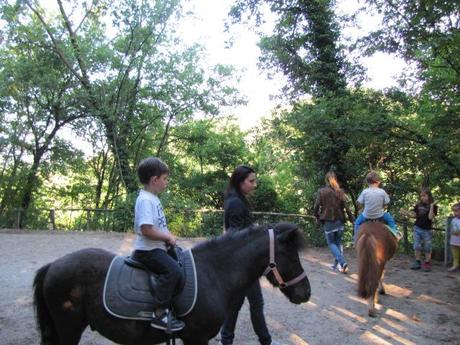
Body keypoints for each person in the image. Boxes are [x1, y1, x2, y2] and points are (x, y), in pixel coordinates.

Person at [220, 165, 281, 345]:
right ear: (240, 182)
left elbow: (237, 230)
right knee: (255, 304)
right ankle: (265, 341)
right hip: (243, 266)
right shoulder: (236, 203)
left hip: (240, 264)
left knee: (236, 304)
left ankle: (227, 340)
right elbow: (235, 236)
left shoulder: (236, 199)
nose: (255, 184)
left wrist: (256, 230)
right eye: (251, 181)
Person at [131, 157, 185, 331]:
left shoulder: (152, 198)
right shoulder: (146, 200)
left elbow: (157, 225)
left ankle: (173, 307)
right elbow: (146, 229)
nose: (166, 182)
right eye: (165, 178)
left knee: (182, 262)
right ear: (155, 179)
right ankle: (159, 314)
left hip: (157, 247)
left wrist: (167, 237)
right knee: (173, 270)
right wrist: (166, 237)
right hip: (147, 250)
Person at [314, 171, 354, 273]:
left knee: (331, 243)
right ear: (335, 179)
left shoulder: (322, 191)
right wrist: (352, 219)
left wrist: (317, 216)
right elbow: (347, 208)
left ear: (326, 180)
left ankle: (343, 262)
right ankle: (337, 265)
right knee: (338, 243)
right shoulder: (340, 191)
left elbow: (316, 206)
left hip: (329, 222)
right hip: (340, 221)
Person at [400, 187, 438, 272]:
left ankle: (427, 263)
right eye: (421, 196)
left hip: (427, 230)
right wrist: (406, 213)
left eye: (424, 196)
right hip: (417, 228)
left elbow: (430, 217)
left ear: (429, 196)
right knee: (416, 246)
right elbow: (414, 215)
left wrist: (431, 206)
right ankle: (417, 262)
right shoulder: (418, 205)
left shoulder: (434, 206)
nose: (422, 197)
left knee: (427, 247)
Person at [354, 171, 398, 241]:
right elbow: (387, 202)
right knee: (390, 219)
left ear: (367, 182)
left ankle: (356, 239)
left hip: (366, 216)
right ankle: (395, 234)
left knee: (357, 223)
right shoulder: (382, 192)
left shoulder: (365, 192)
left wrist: (360, 204)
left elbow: (359, 203)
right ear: (378, 182)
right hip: (380, 215)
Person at [448, 203, 460, 272]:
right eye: (454, 211)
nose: (454, 213)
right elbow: (452, 229)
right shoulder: (453, 220)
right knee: (455, 254)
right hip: (454, 240)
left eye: (456, 211)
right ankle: (455, 265)